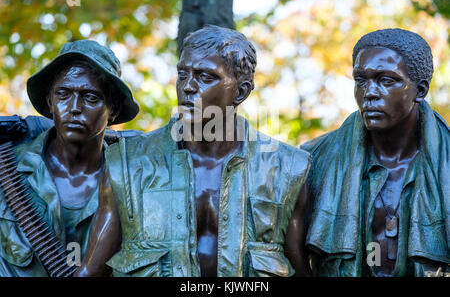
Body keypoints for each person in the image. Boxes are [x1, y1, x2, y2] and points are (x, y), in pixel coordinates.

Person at [77, 25, 312, 277]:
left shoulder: (289, 169)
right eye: (183, 74)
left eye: (205, 77)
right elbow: (91, 272)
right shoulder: (126, 164)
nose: (187, 86)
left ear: (241, 91)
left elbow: (300, 270)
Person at [301, 28, 450, 277]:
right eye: (361, 80)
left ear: (420, 90)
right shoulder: (312, 161)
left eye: (386, 80)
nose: (369, 93)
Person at [0, 40, 139, 276]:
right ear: (49, 102)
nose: (74, 107)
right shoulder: (8, 166)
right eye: (63, 94)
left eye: (90, 97)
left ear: (112, 109)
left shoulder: (136, 177)